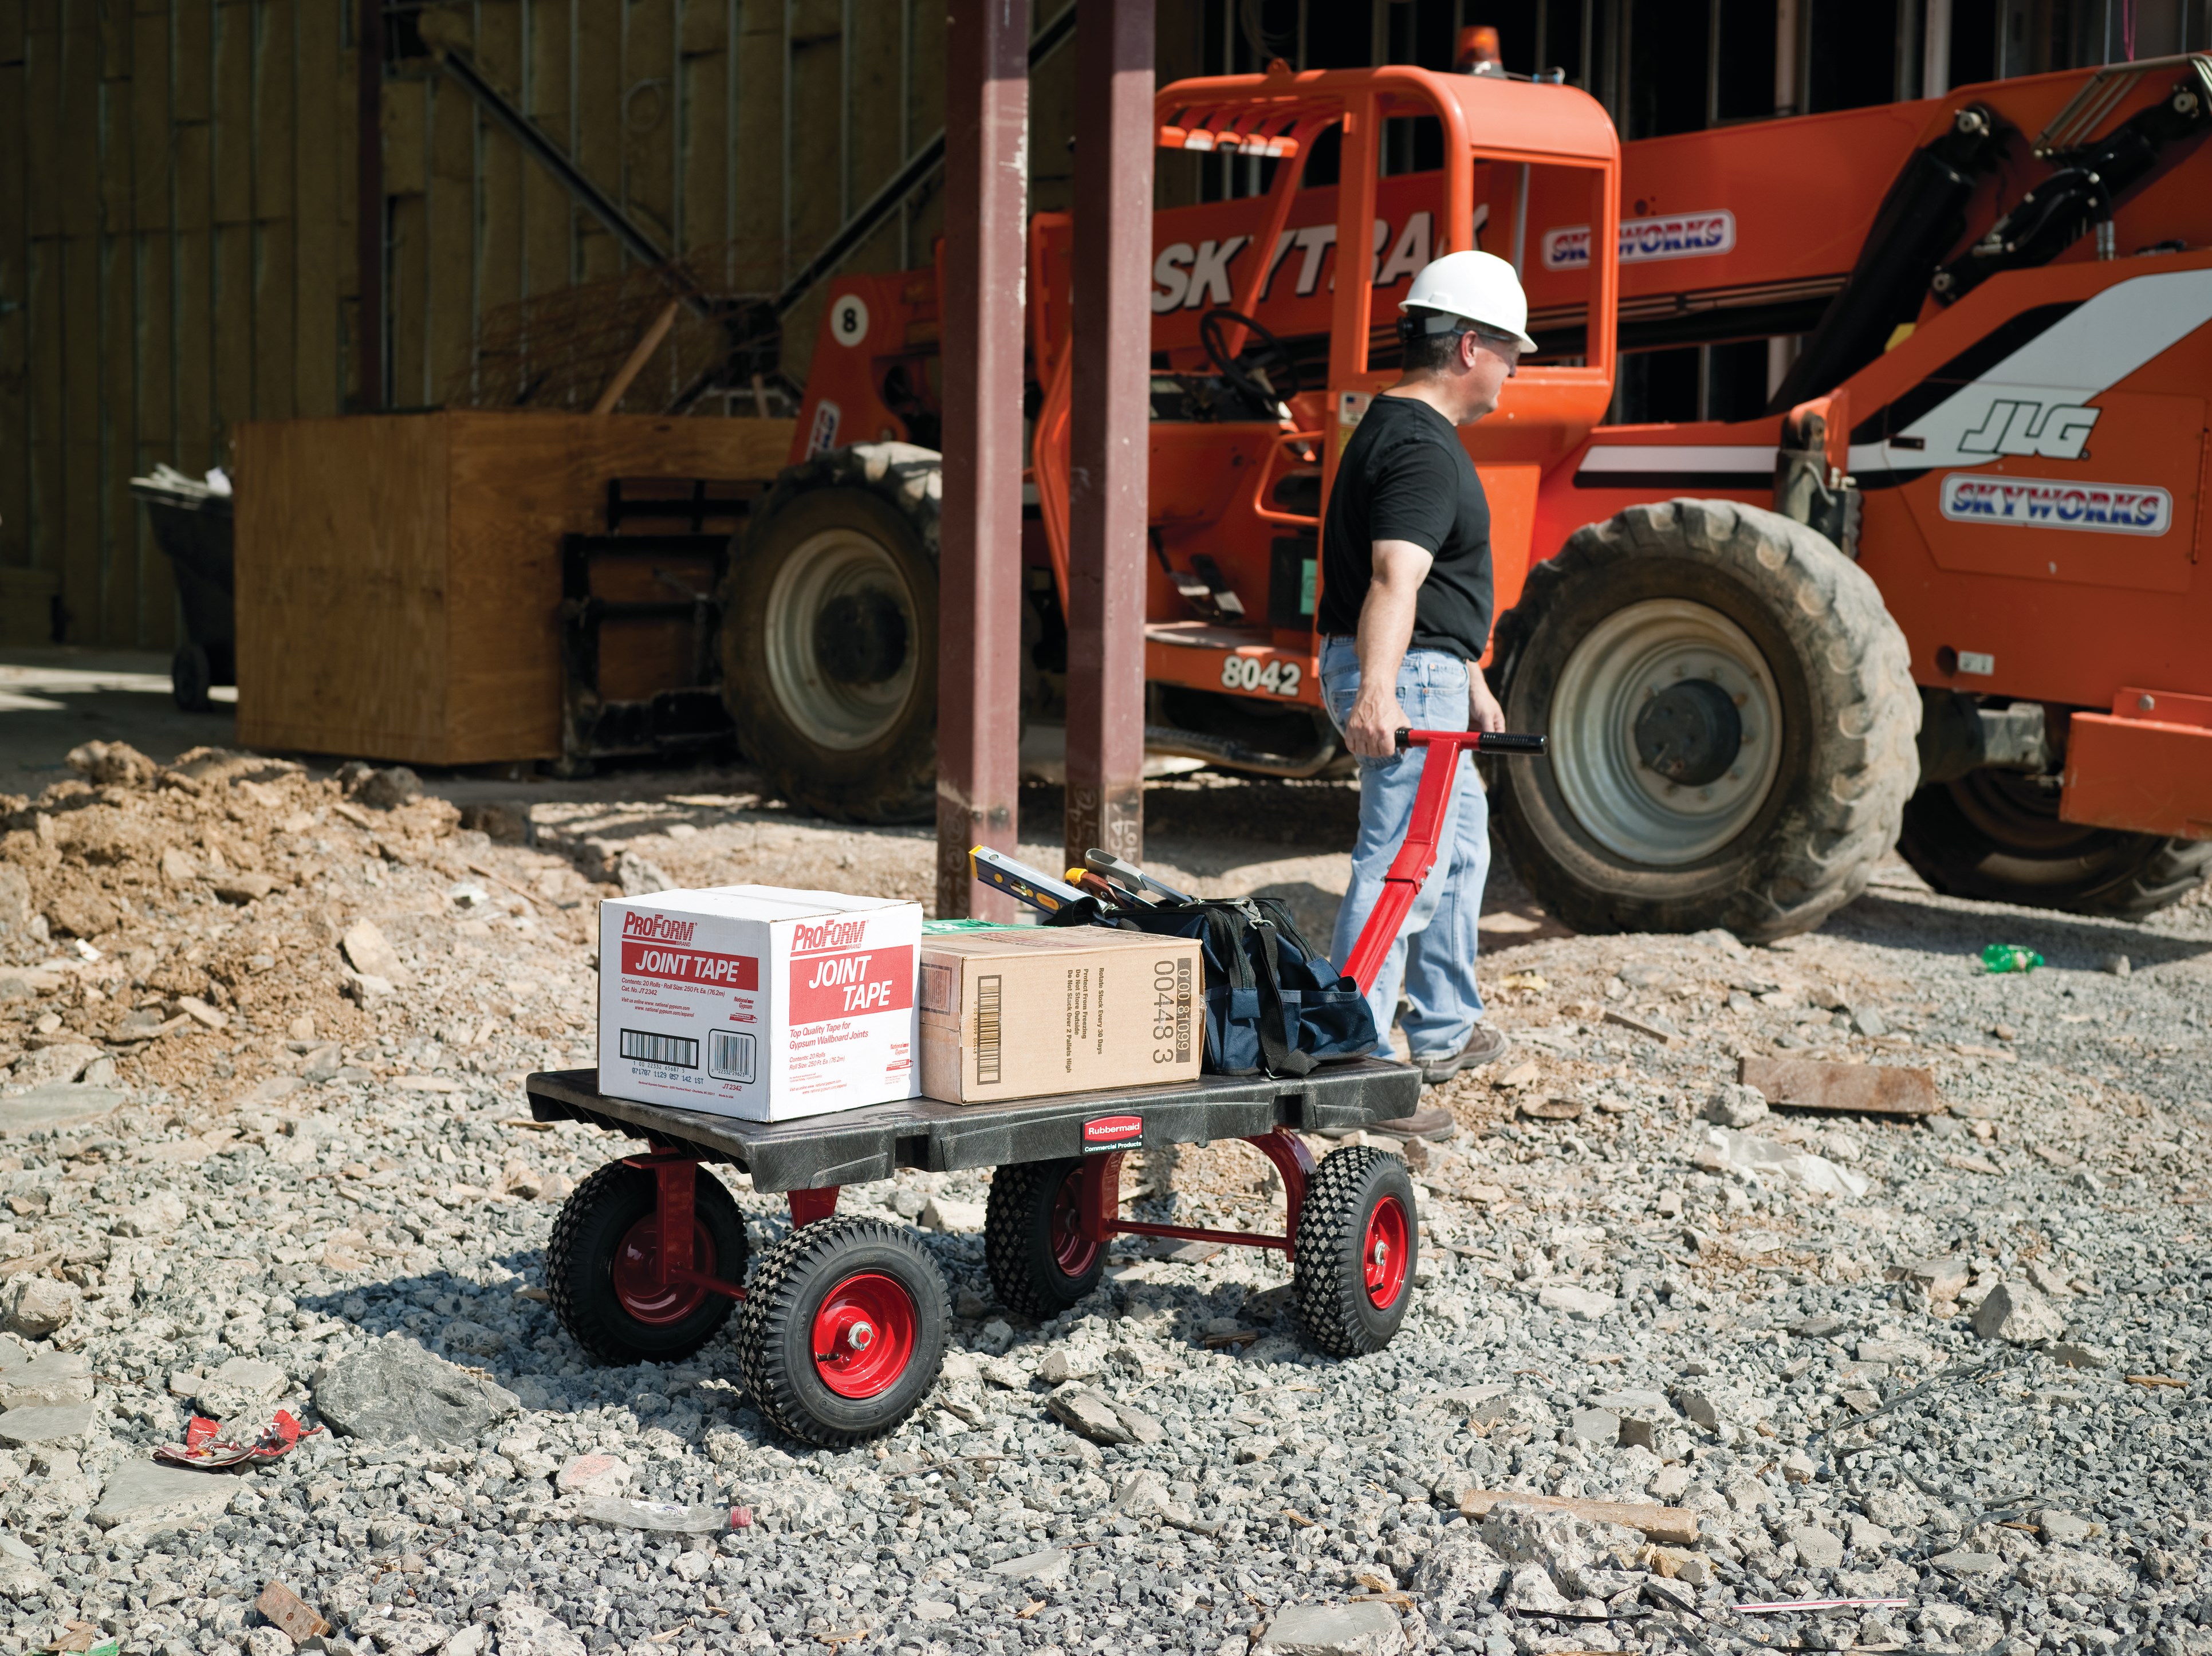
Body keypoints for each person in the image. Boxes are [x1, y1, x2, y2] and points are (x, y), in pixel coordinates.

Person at [1317, 250, 1534, 1117]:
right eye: (1511, 350)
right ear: (1469, 347)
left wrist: (1466, 672)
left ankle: (1443, 1027)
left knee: (1459, 845)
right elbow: (1394, 578)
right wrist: (1378, 690)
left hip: (1430, 671)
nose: (1514, 370)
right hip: (1405, 677)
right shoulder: (1421, 450)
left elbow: (1430, 590)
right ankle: (1351, 1065)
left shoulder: (1398, 432)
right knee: (1402, 864)